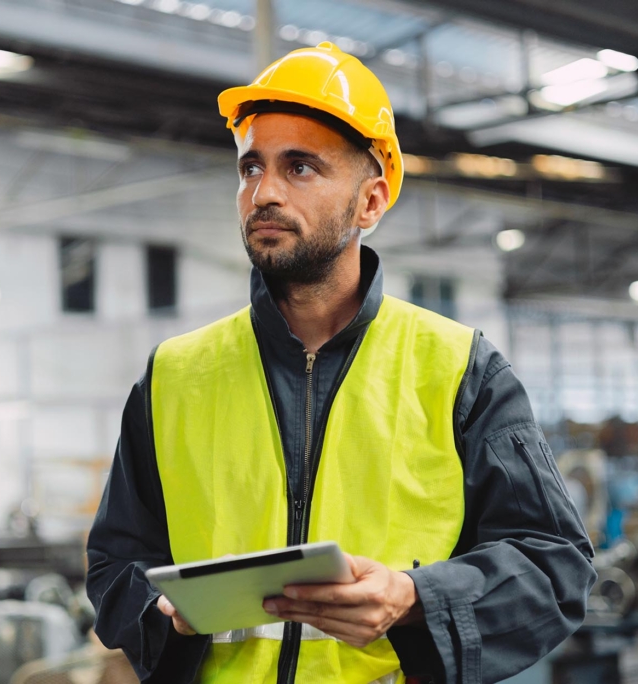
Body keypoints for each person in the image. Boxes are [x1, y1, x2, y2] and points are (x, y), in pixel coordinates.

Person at [86, 42, 596, 684]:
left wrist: (414, 599)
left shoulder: (460, 369)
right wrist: (162, 612)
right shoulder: (175, 374)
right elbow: (112, 567)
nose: (263, 193)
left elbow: (555, 566)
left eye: (299, 168)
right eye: (250, 169)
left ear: (371, 202)